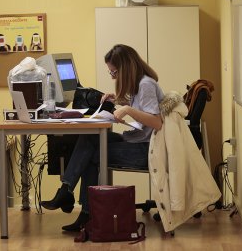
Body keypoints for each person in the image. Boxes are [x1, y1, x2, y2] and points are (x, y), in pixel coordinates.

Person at [40, 44, 164, 231]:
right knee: (89, 139)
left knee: (91, 154)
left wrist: (129, 110)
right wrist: (119, 100)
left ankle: (80, 207)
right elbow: (144, 108)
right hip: (138, 141)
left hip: (145, 149)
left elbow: (157, 122)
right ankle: (71, 196)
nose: (113, 77)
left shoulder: (145, 84)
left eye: (114, 72)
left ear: (126, 68)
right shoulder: (141, 83)